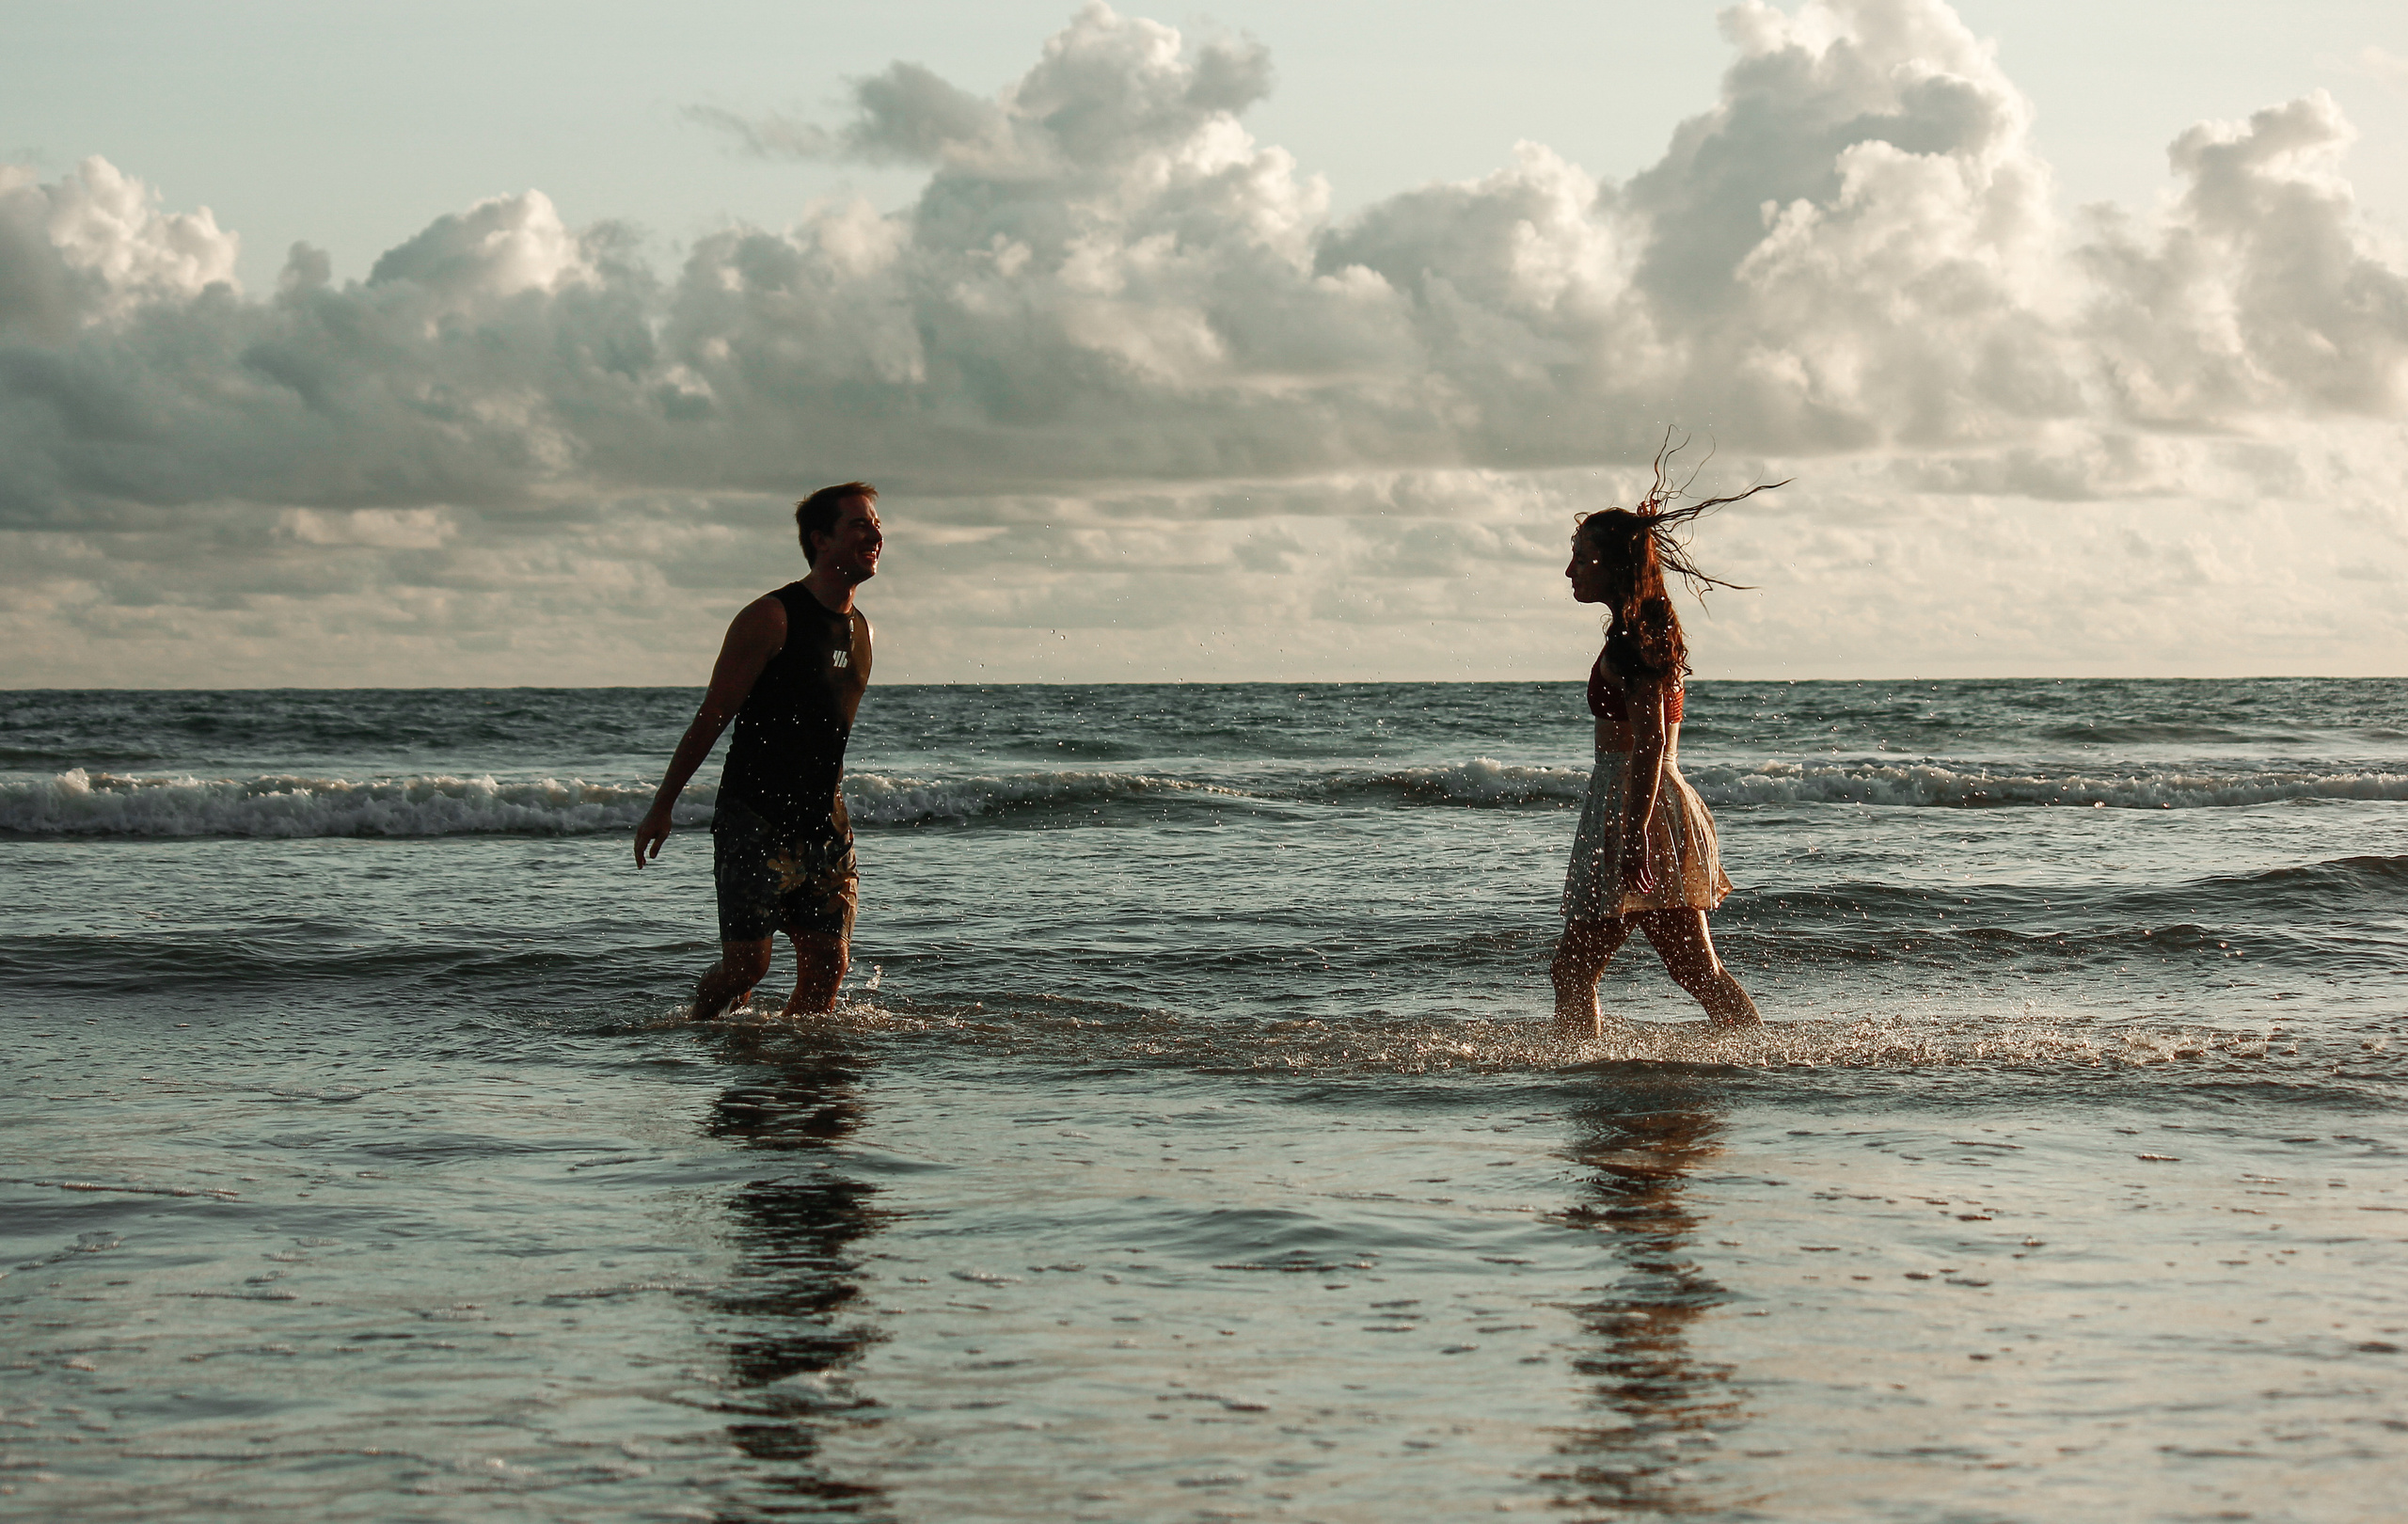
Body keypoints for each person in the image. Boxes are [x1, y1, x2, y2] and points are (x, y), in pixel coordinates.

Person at [633, 483, 881, 1019]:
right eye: (859, 524)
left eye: (876, 523)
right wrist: (663, 805)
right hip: (756, 818)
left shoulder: (863, 630)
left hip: (825, 824)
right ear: (820, 539)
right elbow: (711, 718)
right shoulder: (772, 617)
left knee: (827, 967)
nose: (876, 533)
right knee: (747, 968)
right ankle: (697, 1030)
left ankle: (804, 1082)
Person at [1552, 461, 1779, 1038]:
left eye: (1581, 557)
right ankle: (1757, 1057)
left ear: (1613, 565)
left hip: (1641, 810)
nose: (1570, 569)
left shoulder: (1634, 643)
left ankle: (1585, 1075)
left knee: (1578, 970)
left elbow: (1650, 746)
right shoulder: (1638, 630)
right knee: (1689, 970)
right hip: (1641, 807)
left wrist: (1632, 837)